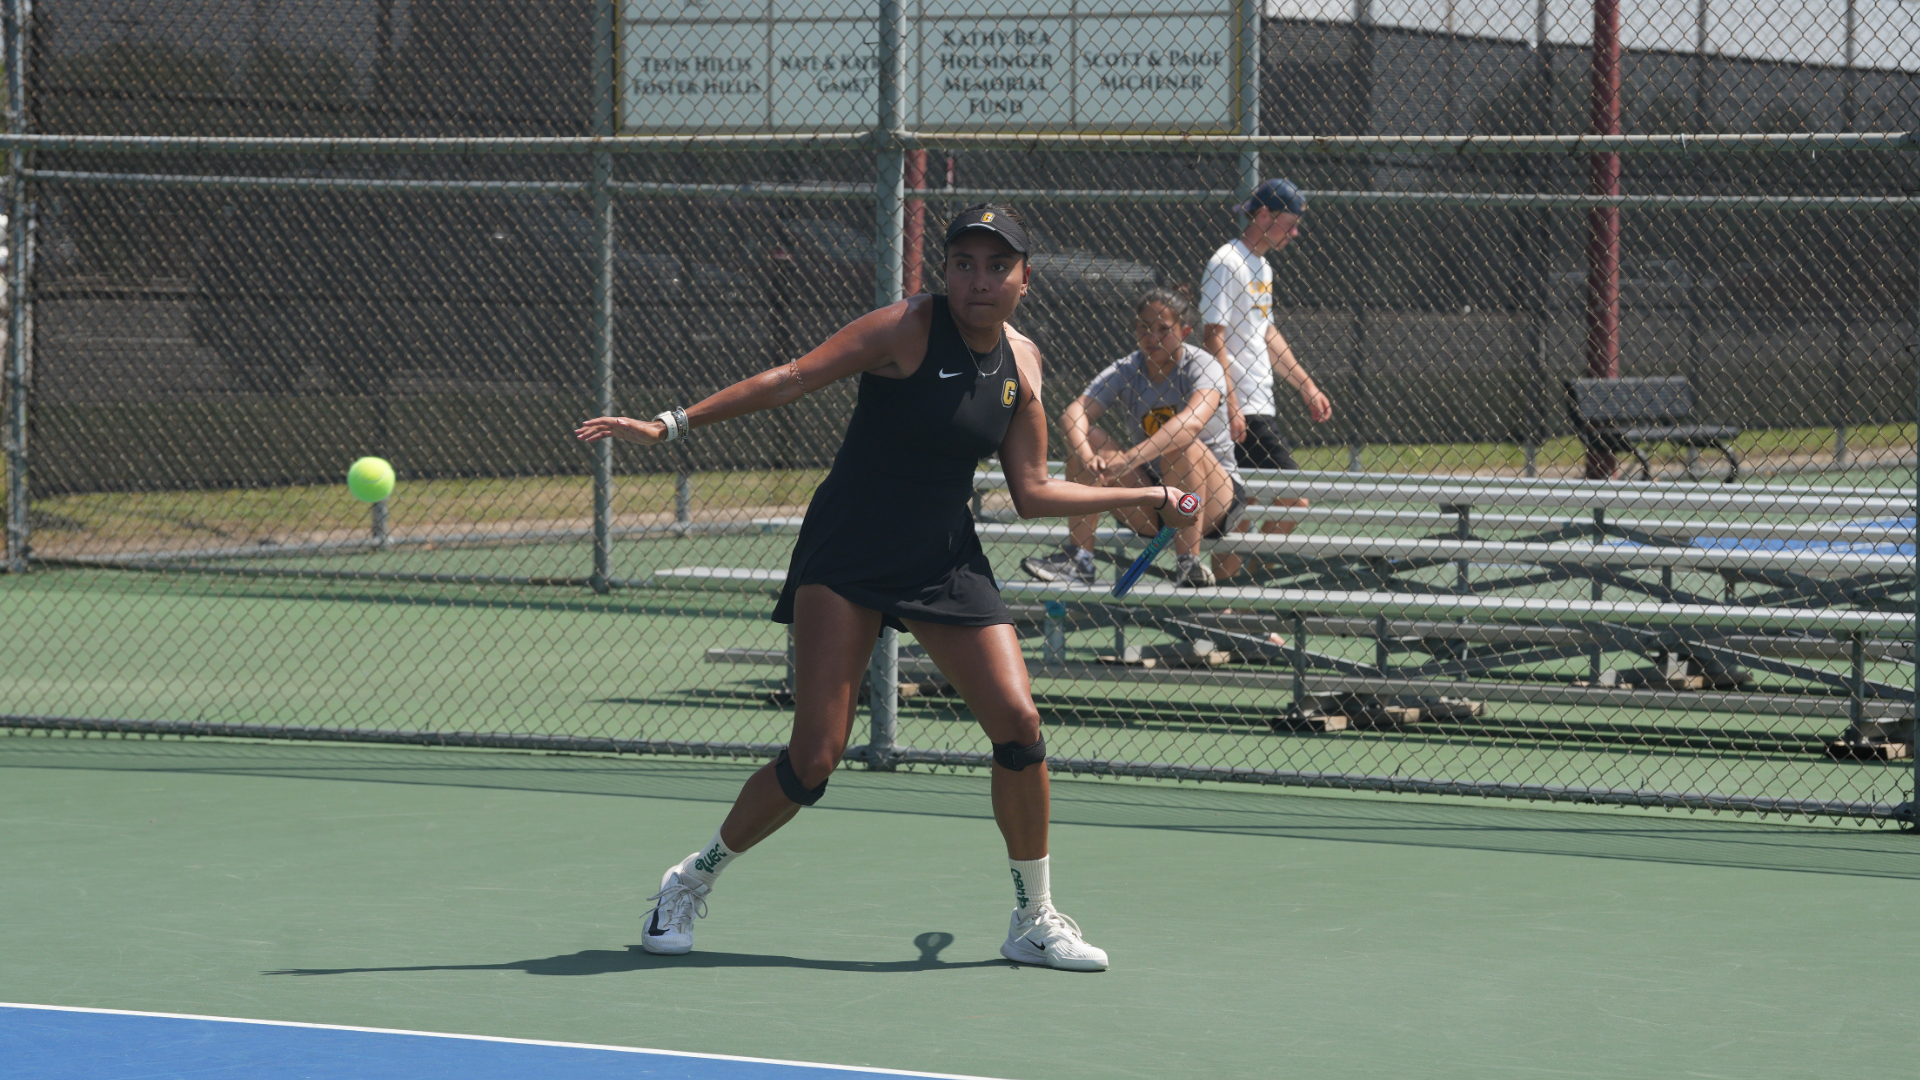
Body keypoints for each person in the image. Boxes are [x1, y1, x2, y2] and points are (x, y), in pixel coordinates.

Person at [573, 204, 1198, 973]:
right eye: (963, 264)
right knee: (814, 758)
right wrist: (670, 425)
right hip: (851, 549)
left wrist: (1146, 496)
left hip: (942, 557)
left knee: (1019, 723)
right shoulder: (906, 328)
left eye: (996, 266)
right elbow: (792, 378)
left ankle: (1033, 920)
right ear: (947, 273)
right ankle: (690, 880)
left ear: (1024, 279)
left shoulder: (1024, 363)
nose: (978, 280)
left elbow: (1032, 491)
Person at [1018, 286, 1244, 589]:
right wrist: (1087, 457)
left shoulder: (1204, 365)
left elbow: (1191, 423)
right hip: (1152, 501)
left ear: (1184, 331)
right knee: (1088, 438)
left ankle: (1188, 562)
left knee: (1181, 444)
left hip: (1212, 501)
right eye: (1144, 328)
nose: (1152, 337)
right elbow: (1073, 413)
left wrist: (1127, 460)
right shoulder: (1128, 367)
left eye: (1163, 329)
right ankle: (1080, 559)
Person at [1201, 178, 1332, 580]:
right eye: (1289, 224)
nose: (1294, 234)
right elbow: (1213, 336)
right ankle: (1247, 585)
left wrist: (1306, 385)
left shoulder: (1262, 266)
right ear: (1262, 216)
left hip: (1259, 407)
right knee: (1293, 500)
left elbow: (1267, 334)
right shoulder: (1226, 262)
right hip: (1242, 410)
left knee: (1242, 507)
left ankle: (1234, 598)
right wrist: (1231, 404)